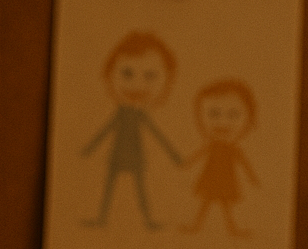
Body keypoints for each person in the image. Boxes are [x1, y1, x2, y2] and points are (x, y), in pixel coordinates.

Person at [81, 31, 183, 230]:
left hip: (136, 156)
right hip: (117, 155)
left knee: (140, 189)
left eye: (150, 76)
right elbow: (105, 131)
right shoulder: (120, 113)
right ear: (109, 75)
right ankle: (102, 218)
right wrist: (89, 148)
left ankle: (148, 220)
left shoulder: (140, 115)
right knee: (109, 188)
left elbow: (157, 135)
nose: (137, 85)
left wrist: (173, 154)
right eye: (127, 73)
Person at [179, 78, 259, 237]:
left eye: (233, 115)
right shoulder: (212, 146)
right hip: (211, 178)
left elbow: (244, 164)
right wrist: (186, 164)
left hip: (226, 180)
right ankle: (198, 226)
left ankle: (230, 229)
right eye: (214, 114)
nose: (222, 122)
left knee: (223, 205)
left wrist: (253, 178)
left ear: (249, 119)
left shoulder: (233, 149)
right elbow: (198, 155)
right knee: (208, 203)